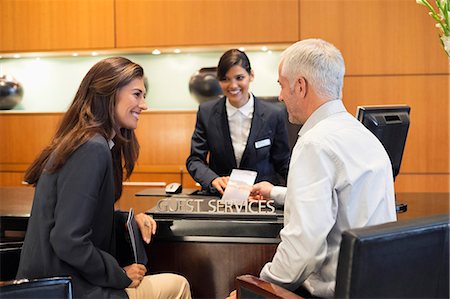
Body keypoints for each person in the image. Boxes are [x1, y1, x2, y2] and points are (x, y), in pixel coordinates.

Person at [229, 39, 397, 298]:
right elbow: (338, 201)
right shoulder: (363, 135)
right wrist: (275, 192)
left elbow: (302, 250)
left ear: (300, 86)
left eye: (282, 86)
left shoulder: (314, 144)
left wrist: (257, 288)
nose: (281, 96)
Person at [16, 57, 191, 299]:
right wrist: (119, 274)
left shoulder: (86, 142)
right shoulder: (91, 148)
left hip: (61, 284)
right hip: (67, 290)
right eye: (137, 94)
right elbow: (69, 240)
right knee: (178, 285)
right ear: (109, 92)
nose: (144, 104)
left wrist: (127, 221)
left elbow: (77, 220)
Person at [186, 49, 290, 195]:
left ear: (251, 75)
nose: (233, 85)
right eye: (225, 79)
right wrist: (213, 180)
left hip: (260, 200)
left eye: (239, 77)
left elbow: (284, 163)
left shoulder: (274, 114)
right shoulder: (206, 112)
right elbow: (195, 160)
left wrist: (289, 194)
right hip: (220, 199)